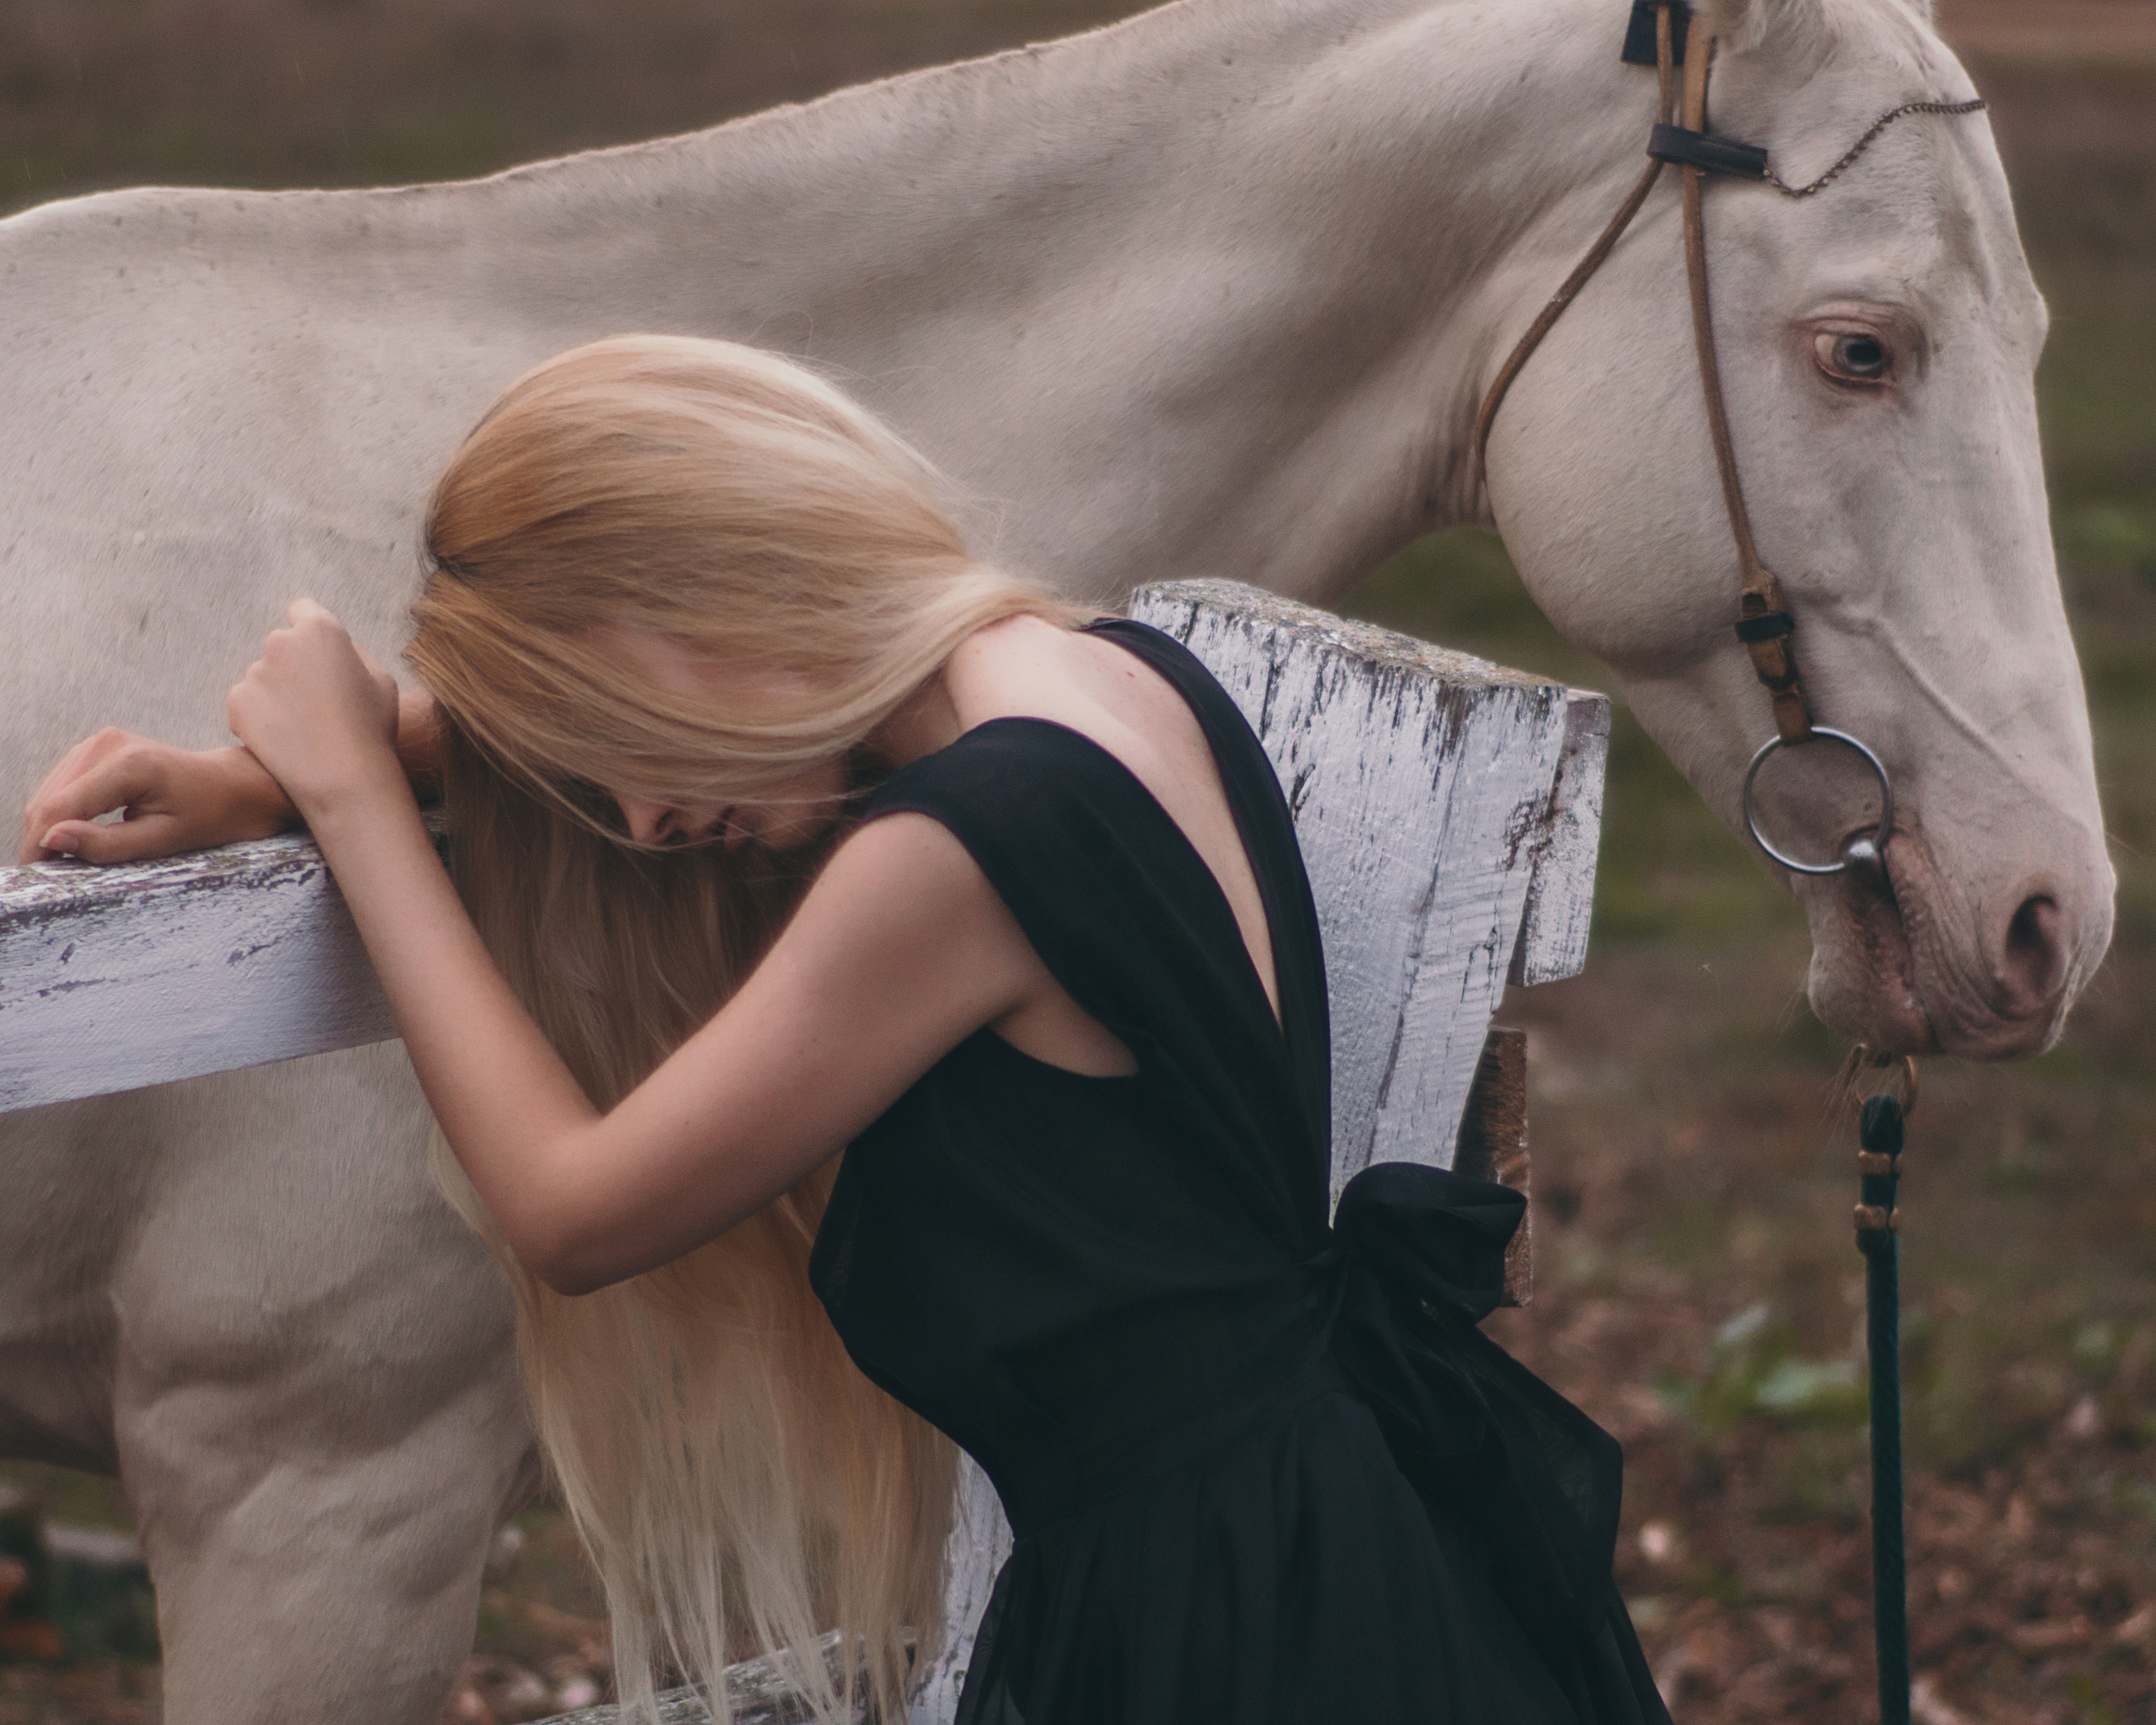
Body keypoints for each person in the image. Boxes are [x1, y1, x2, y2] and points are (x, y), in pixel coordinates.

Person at [20, 335, 1668, 1725]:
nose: (638, 825)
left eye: (615, 738)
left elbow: (573, 1212)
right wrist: (353, 754)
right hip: (1324, 1532)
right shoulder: (1092, 674)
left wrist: (352, 801)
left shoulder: (947, 863)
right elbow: (734, 696)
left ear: (727, 580)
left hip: (1218, 1630)